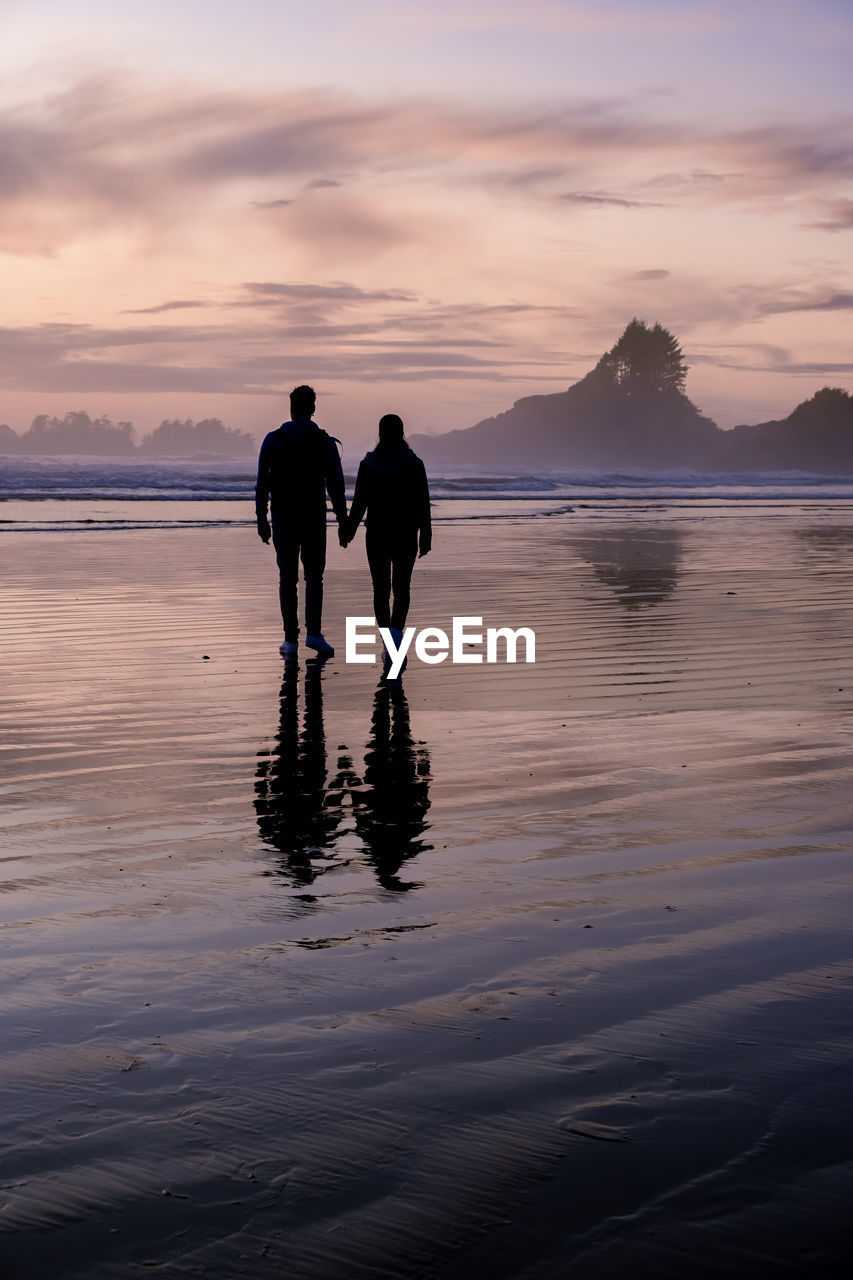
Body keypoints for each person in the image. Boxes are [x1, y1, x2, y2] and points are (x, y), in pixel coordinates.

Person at [256, 385, 347, 658]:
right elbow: (336, 487)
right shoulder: (325, 442)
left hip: (283, 518)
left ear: (291, 407)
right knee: (314, 577)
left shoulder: (273, 440)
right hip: (313, 518)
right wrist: (343, 521)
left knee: (287, 577)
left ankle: (290, 639)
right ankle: (315, 634)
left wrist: (261, 518)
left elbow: (262, 485)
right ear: (313, 409)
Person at [342, 414, 431, 662]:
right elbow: (423, 503)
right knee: (402, 588)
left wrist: (348, 531)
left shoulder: (368, 464)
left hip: (378, 534)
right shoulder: (414, 463)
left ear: (380, 434)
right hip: (405, 534)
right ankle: (395, 636)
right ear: (402, 433)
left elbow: (359, 504)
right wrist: (426, 536)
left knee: (380, 590)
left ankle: (388, 642)